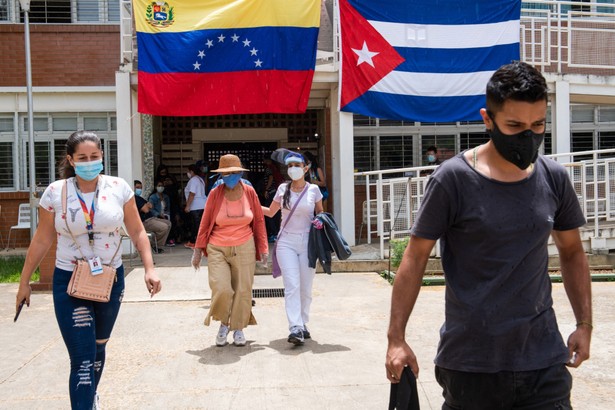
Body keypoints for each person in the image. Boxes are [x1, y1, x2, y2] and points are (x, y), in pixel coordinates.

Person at [385, 61, 592, 409]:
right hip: (471, 364)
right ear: (487, 119)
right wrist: (396, 339)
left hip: (543, 360)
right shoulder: (452, 180)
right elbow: (415, 256)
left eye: (538, 124)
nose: (529, 136)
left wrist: (584, 323)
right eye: (514, 125)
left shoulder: (554, 178)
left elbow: (572, 252)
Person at [15, 131, 162, 410]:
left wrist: (149, 269)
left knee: (97, 349)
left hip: (110, 280)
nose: (89, 162)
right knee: (81, 357)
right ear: (71, 159)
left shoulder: (119, 188)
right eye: (82, 157)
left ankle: (90, 395)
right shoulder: (56, 193)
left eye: (94, 156)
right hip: (69, 281)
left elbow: (137, 230)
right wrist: (25, 282)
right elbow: (42, 239)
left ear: (102, 156)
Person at [191, 154, 268, 347]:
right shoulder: (215, 194)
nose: (231, 176)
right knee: (222, 288)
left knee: (243, 290)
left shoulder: (249, 192)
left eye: (234, 172)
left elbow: (258, 219)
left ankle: (238, 327)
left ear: (241, 173)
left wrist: (263, 247)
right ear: (221, 175)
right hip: (217, 246)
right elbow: (205, 221)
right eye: (227, 173)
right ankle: (224, 324)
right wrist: (198, 250)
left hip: (245, 245)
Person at [262, 152, 323, 345]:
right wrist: (250, 204)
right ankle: (295, 327)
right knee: (292, 285)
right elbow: (271, 212)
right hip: (286, 242)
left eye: (297, 165)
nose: (293, 169)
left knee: (305, 287)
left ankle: (303, 323)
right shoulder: (282, 188)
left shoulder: (314, 190)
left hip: (307, 242)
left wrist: (321, 222)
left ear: (306, 168)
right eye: (289, 166)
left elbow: (321, 213)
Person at [134, 180, 172, 254]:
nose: (139, 189)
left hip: (151, 218)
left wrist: (147, 206)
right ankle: (152, 245)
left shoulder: (139, 198)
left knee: (168, 223)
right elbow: (146, 209)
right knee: (164, 227)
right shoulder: (133, 198)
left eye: (141, 188)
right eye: (137, 187)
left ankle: (157, 245)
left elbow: (150, 206)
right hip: (144, 221)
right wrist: (147, 206)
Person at [183, 164, 207, 248]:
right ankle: (197, 241)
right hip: (202, 205)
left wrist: (187, 206)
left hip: (195, 206)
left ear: (191, 171)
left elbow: (192, 194)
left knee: (195, 225)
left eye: (188, 171)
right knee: (199, 225)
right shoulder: (200, 179)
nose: (187, 173)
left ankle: (194, 242)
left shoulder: (193, 180)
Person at [261, 155, 283, 241]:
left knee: (269, 213)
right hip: (274, 191)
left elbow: (270, 178)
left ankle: (274, 234)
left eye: (264, 160)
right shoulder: (275, 168)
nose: (263, 162)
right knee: (276, 214)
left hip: (270, 192)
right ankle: (276, 232)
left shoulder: (268, 168)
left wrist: (266, 189)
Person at [148, 179, 176, 246]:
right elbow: (151, 210)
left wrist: (167, 215)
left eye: (162, 186)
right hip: (156, 216)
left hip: (165, 215)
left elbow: (168, 208)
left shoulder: (166, 197)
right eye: (159, 186)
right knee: (164, 226)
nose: (161, 187)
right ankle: (157, 243)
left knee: (171, 223)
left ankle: (168, 240)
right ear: (156, 187)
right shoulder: (152, 197)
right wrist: (159, 215)